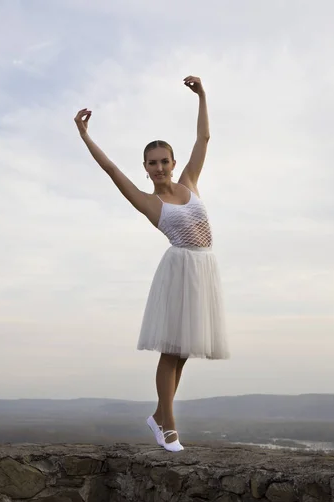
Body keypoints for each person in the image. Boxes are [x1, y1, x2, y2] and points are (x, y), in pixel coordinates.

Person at [74, 75, 229, 453]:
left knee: (184, 349)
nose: (159, 168)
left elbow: (204, 139)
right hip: (179, 271)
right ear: (145, 168)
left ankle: (160, 414)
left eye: (164, 161)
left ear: (174, 163)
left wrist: (203, 96)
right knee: (170, 348)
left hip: (204, 268)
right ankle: (168, 426)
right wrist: (84, 135)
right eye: (152, 163)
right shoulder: (147, 201)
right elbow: (111, 170)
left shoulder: (190, 181)